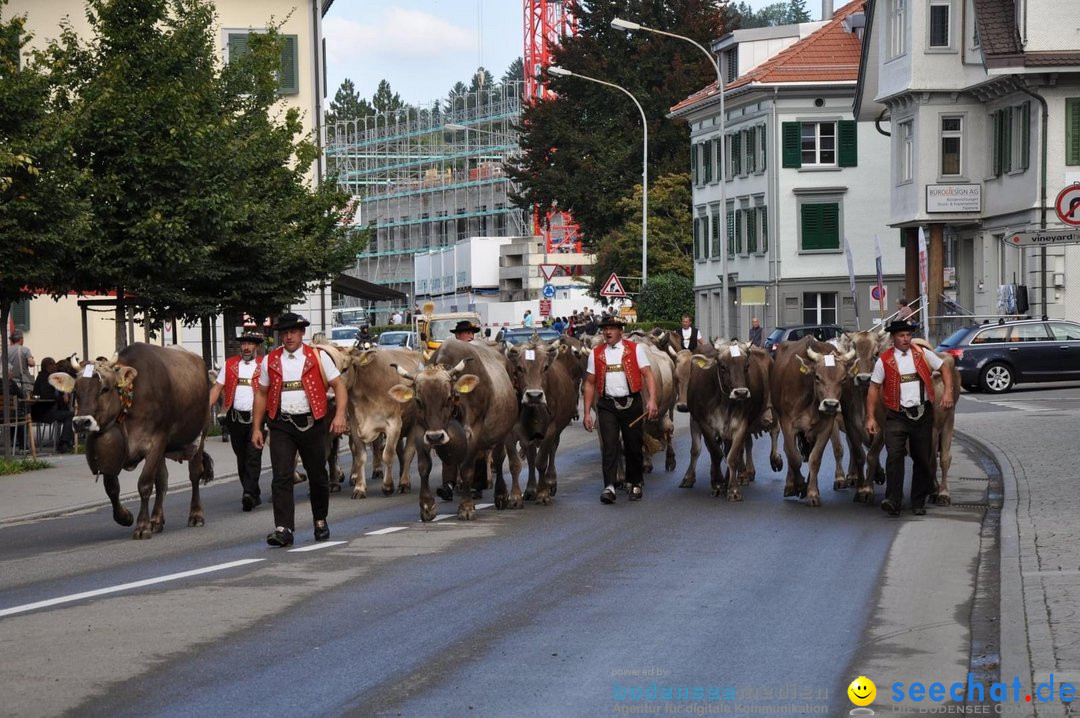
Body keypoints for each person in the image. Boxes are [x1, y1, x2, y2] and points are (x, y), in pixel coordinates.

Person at [251, 313, 349, 547]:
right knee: (281, 475)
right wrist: (257, 427)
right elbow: (262, 394)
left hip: (312, 423)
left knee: (317, 475)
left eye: (293, 332)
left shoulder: (317, 357)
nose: (288, 336)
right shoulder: (270, 360)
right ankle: (283, 528)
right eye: (284, 333)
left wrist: (339, 414)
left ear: (302, 333)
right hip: (281, 424)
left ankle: (320, 519)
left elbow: (339, 386)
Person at [865, 319, 955, 517]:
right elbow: (874, 388)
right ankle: (893, 499)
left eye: (908, 335)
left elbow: (945, 368)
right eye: (901, 336)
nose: (905, 339)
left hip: (922, 413)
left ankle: (918, 501)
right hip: (896, 415)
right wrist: (870, 417)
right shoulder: (884, 360)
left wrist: (948, 392)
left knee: (922, 459)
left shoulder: (923, 354)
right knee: (894, 457)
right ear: (893, 338)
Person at [582, 316, 659, 504]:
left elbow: (648, 375)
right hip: (607, 405)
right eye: (605, 329)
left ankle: (635, 482)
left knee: (633, 445)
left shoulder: (635, 349)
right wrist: (586, 413)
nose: (607, 332)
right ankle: (609, 486)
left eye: (612, 328)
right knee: (609, 445)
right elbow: (590, 383)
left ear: (620, 331)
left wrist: (652, 400)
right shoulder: (596, 353)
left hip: (632, 403)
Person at [208, 333, 266, 512]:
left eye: (250, 344)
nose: (246, 347)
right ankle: (253, 493)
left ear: (256, 347)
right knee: (242, 458)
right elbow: (217, 387)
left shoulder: (264, 364)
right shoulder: (230, 364)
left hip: (257, 419)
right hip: (235, 418)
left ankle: (248, 494)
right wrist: (205, 407)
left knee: (253, 457)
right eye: (244, 344)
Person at [30, 357, 75, 453]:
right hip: (44, 412)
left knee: (69, 413)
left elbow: (57, 392)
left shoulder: (50, 377)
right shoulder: (44, 377)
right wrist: (62, 398)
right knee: (71, 415)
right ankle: (64, 443)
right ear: (48, 366)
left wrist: (64, 394)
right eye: (53, 364)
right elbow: (46, 395)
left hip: (50, 409)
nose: (55, 366)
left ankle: (68, 441)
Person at [7, 329, 35, 398]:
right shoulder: (25, 350)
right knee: (25, 403)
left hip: (10, 383)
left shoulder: (6, 350)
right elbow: (31, 363)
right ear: (21, 339)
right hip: (23, 383)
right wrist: (33, 360)